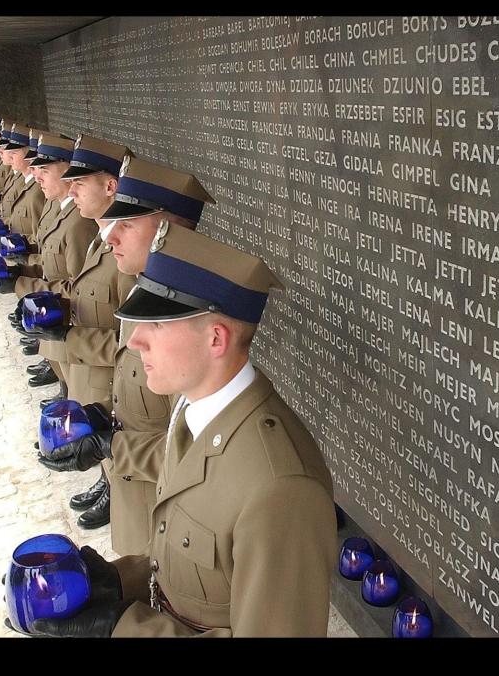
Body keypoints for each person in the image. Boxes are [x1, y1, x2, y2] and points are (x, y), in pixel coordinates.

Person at [28, 224, 337, 637]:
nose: (135, 341)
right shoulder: (192, 411)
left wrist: (122, 629)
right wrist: (122, 579)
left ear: (215, 339)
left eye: (155, 325)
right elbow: (184, 559)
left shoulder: (280, 488)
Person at [38, 156, 213, 556]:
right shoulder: (143, 292)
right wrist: (100, 416)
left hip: (169, 516)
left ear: (166, 231)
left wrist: (112, 447)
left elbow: (201, 453)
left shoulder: (185, 323)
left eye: (128, 225)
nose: (110, 237)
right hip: (137, 501)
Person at [26, 133, 136, 529]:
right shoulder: (102, 240)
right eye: (69, 181)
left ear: (111, 186)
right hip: (86, 369)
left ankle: (112, 493)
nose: (71, 190)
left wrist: (66, 338)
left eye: (80, 182)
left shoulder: (123, 252)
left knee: (117, 459)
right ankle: (105, 485)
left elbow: (131, 344)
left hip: (108, 377)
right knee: (101, 456)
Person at [13, 133, 97, 404]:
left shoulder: (79, 222)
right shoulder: (59, 208)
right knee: (68, 386)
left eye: (44, 169)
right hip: (58, 321)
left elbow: (78, 285)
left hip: (75, 326)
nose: (36, 176)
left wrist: (24, 284)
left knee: (76, 392)